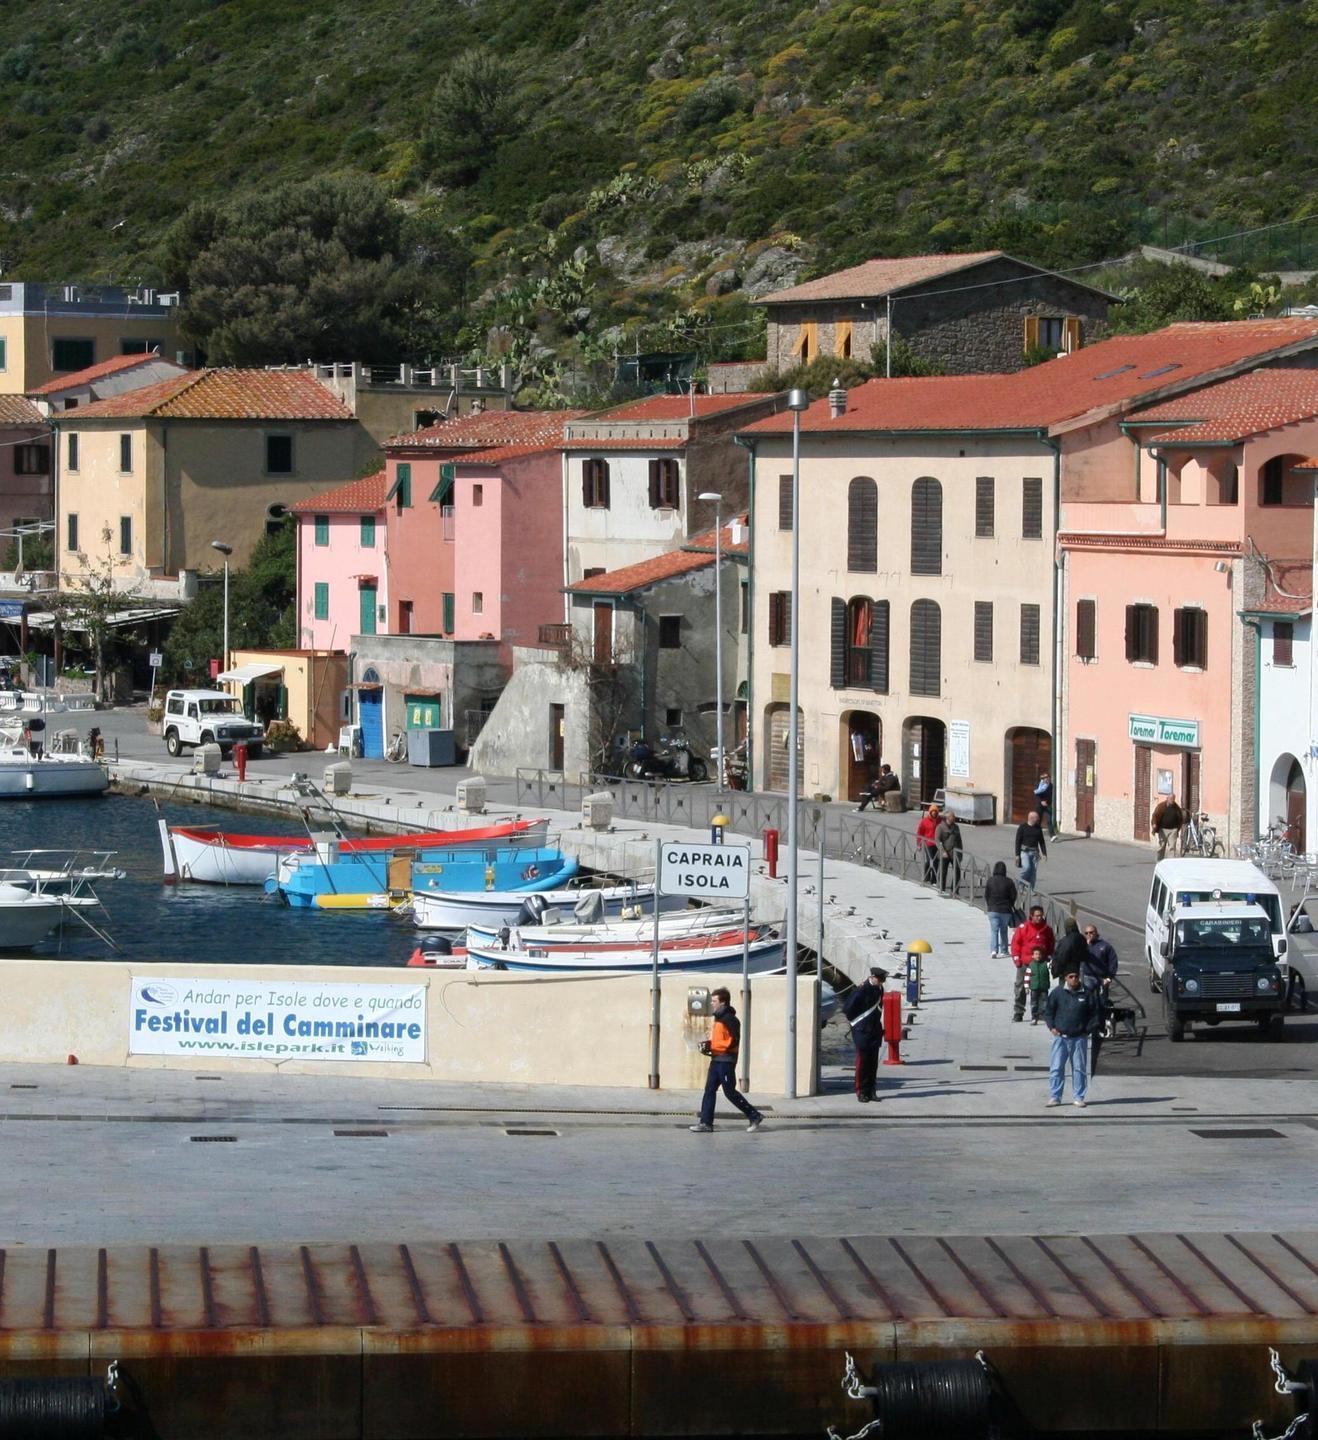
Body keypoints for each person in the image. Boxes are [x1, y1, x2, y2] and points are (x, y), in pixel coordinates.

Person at [690, 988, 764, 1133]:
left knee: (729, 1092)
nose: (711, 1003)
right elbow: (721, 1039)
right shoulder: (718, 1018)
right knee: (709, 1090)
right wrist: (709, 1045)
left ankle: (754, 1115)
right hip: (716, 1060)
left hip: (726, 1062)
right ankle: (705, 1123)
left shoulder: (730, 1020)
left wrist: (713, 1047)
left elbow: (732, 1042)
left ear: (723, 1002)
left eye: (714, 1001)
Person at [1045, 969, 1099, 1108]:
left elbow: (1094, 1014)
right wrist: (1052, 1027)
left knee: (1079, 1069)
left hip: (1079, 1038)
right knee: (1056, 1068)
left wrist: (1087, 1031)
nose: (1074, 979)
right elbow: (1049, 1011)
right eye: (1071, 976)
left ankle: (1079, 1097)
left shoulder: (1087, 993)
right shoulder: (1057, 992)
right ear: (1066, 978)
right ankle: (1055, 1096)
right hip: (1060, 1038)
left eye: (1076, 976)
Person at [843, 967, 887, 1103]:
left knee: (873, 1064)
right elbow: (848, 1009)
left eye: (882, 980)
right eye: (879, 980)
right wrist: (858, 1025)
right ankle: (861, 1092)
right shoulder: (862, 990)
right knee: (862, 1063)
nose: (881, 982)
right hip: (862, 1031)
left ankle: (871, 1090)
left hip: (874, 1030)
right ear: (872, 977)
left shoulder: (879, 988)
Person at [1082, 924, 1119, 1073]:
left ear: (1096, 933)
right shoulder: (1084, 946)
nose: (1089, 935)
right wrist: (1085, 946)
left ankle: (1101, 1028)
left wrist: (1109, 977)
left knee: (1103, 1003)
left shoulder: (1105, 946)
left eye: (1091, 932)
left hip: (1102, 978)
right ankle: (1090, 1028)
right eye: (1086, 933)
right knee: (1088, 1004)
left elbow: (1113, 962)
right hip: (1088, 977)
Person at [1010, 904, 1055, 1021]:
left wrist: (1049, 956)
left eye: (1041, 915)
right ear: (1031, 916)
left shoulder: (1047, 929)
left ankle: (1040, 1012)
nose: (1039, 918)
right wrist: (1017, 960)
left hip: (1041, 964)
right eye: (1037, 916)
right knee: (1020, 988)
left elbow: (1051, 943)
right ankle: (1019, 1012)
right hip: (1025, 964)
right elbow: (1015, 944)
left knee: (1041, 987)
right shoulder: (1023, 928)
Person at [984, 860, 1018, 958]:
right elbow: (1013, 895)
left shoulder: (990, 880)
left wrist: (989, 905)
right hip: (1005, 910)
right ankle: (1004, 950)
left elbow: (986, 895)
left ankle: (994, 951)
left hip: (993, 909)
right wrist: (1010, 904)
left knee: (994, 931)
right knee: (1004, 930)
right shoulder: (1009, 881)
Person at [1014, 810, 1048, 889]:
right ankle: (1019, 884)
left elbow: (1042, 841)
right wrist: (1017, 855)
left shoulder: (1038, 828)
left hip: (1034, 853)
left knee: (1033, 873)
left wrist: (1044, 853)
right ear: (1031, 818)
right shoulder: (1022, 827)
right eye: (1036, 818)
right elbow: (1018, 841)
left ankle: (1031, 890)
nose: (1038, 819)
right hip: (1024, 852)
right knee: (1026, 868)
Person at [935, 810, 963, 893]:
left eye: (954, 816)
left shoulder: (956, 827)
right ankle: (941, 889)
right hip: (944, 853)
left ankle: (955, 890)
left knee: (957, 872)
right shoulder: (940, 827)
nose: (954, 818)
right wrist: (943, 851)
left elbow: (959, 841)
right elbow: (937, 840)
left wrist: (960, 853)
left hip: (955, 853)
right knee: (943, 872)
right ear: (947, 818)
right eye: (952, 816)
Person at [916, 804, 941, 884]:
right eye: (932, 811)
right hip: (928, 844)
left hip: (937, 844)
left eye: (935, 811)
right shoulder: (924, 821)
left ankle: (933, 880)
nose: (934, 813)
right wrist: (919, 843)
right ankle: (926, 876)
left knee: (936, 862)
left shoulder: (940, 820)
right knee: (930, 861)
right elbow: (919, 833)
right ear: (930, 812)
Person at [1028, 944, 1051, 1025]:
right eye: (1036, 954)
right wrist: (1026, 987)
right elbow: (1027, 977)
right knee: (1034, 1003)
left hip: (1044, 986)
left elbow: (1051, 966)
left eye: (1039, 954)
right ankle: (1034, 1017)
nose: (1038, 956)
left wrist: (1051, 960)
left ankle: (1044, 1016)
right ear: (1032, 956)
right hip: (1034, 987)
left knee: (1045, 1002)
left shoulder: (1045, 964)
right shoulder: (1031, 965)